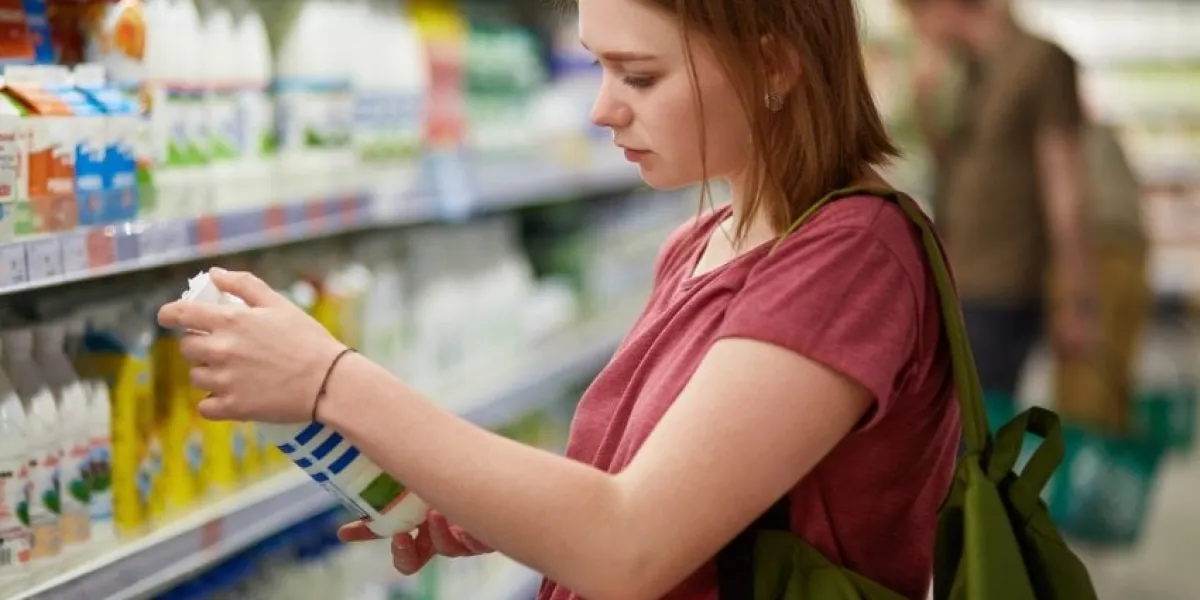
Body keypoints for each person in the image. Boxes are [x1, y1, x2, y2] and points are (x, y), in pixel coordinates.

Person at [157, 0, 960, 598]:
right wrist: (487, 503)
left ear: (774, 64)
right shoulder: (702, 240)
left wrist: (332, 379)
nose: (602, 108)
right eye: (599, 66)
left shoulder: (852, 259)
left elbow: (630, 544)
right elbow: (640, 487)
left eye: (639, 75)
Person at [902, 0, 1098, 403]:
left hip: (1004, 278)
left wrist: (1077, 294)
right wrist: (925, 99)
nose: (918, 33)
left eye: (916, 18)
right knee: (956, 419)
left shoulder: (1040, 61)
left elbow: (1062, 180)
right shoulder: (967, 73)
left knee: (982, 422)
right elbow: (953, 168)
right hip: (962, 279)